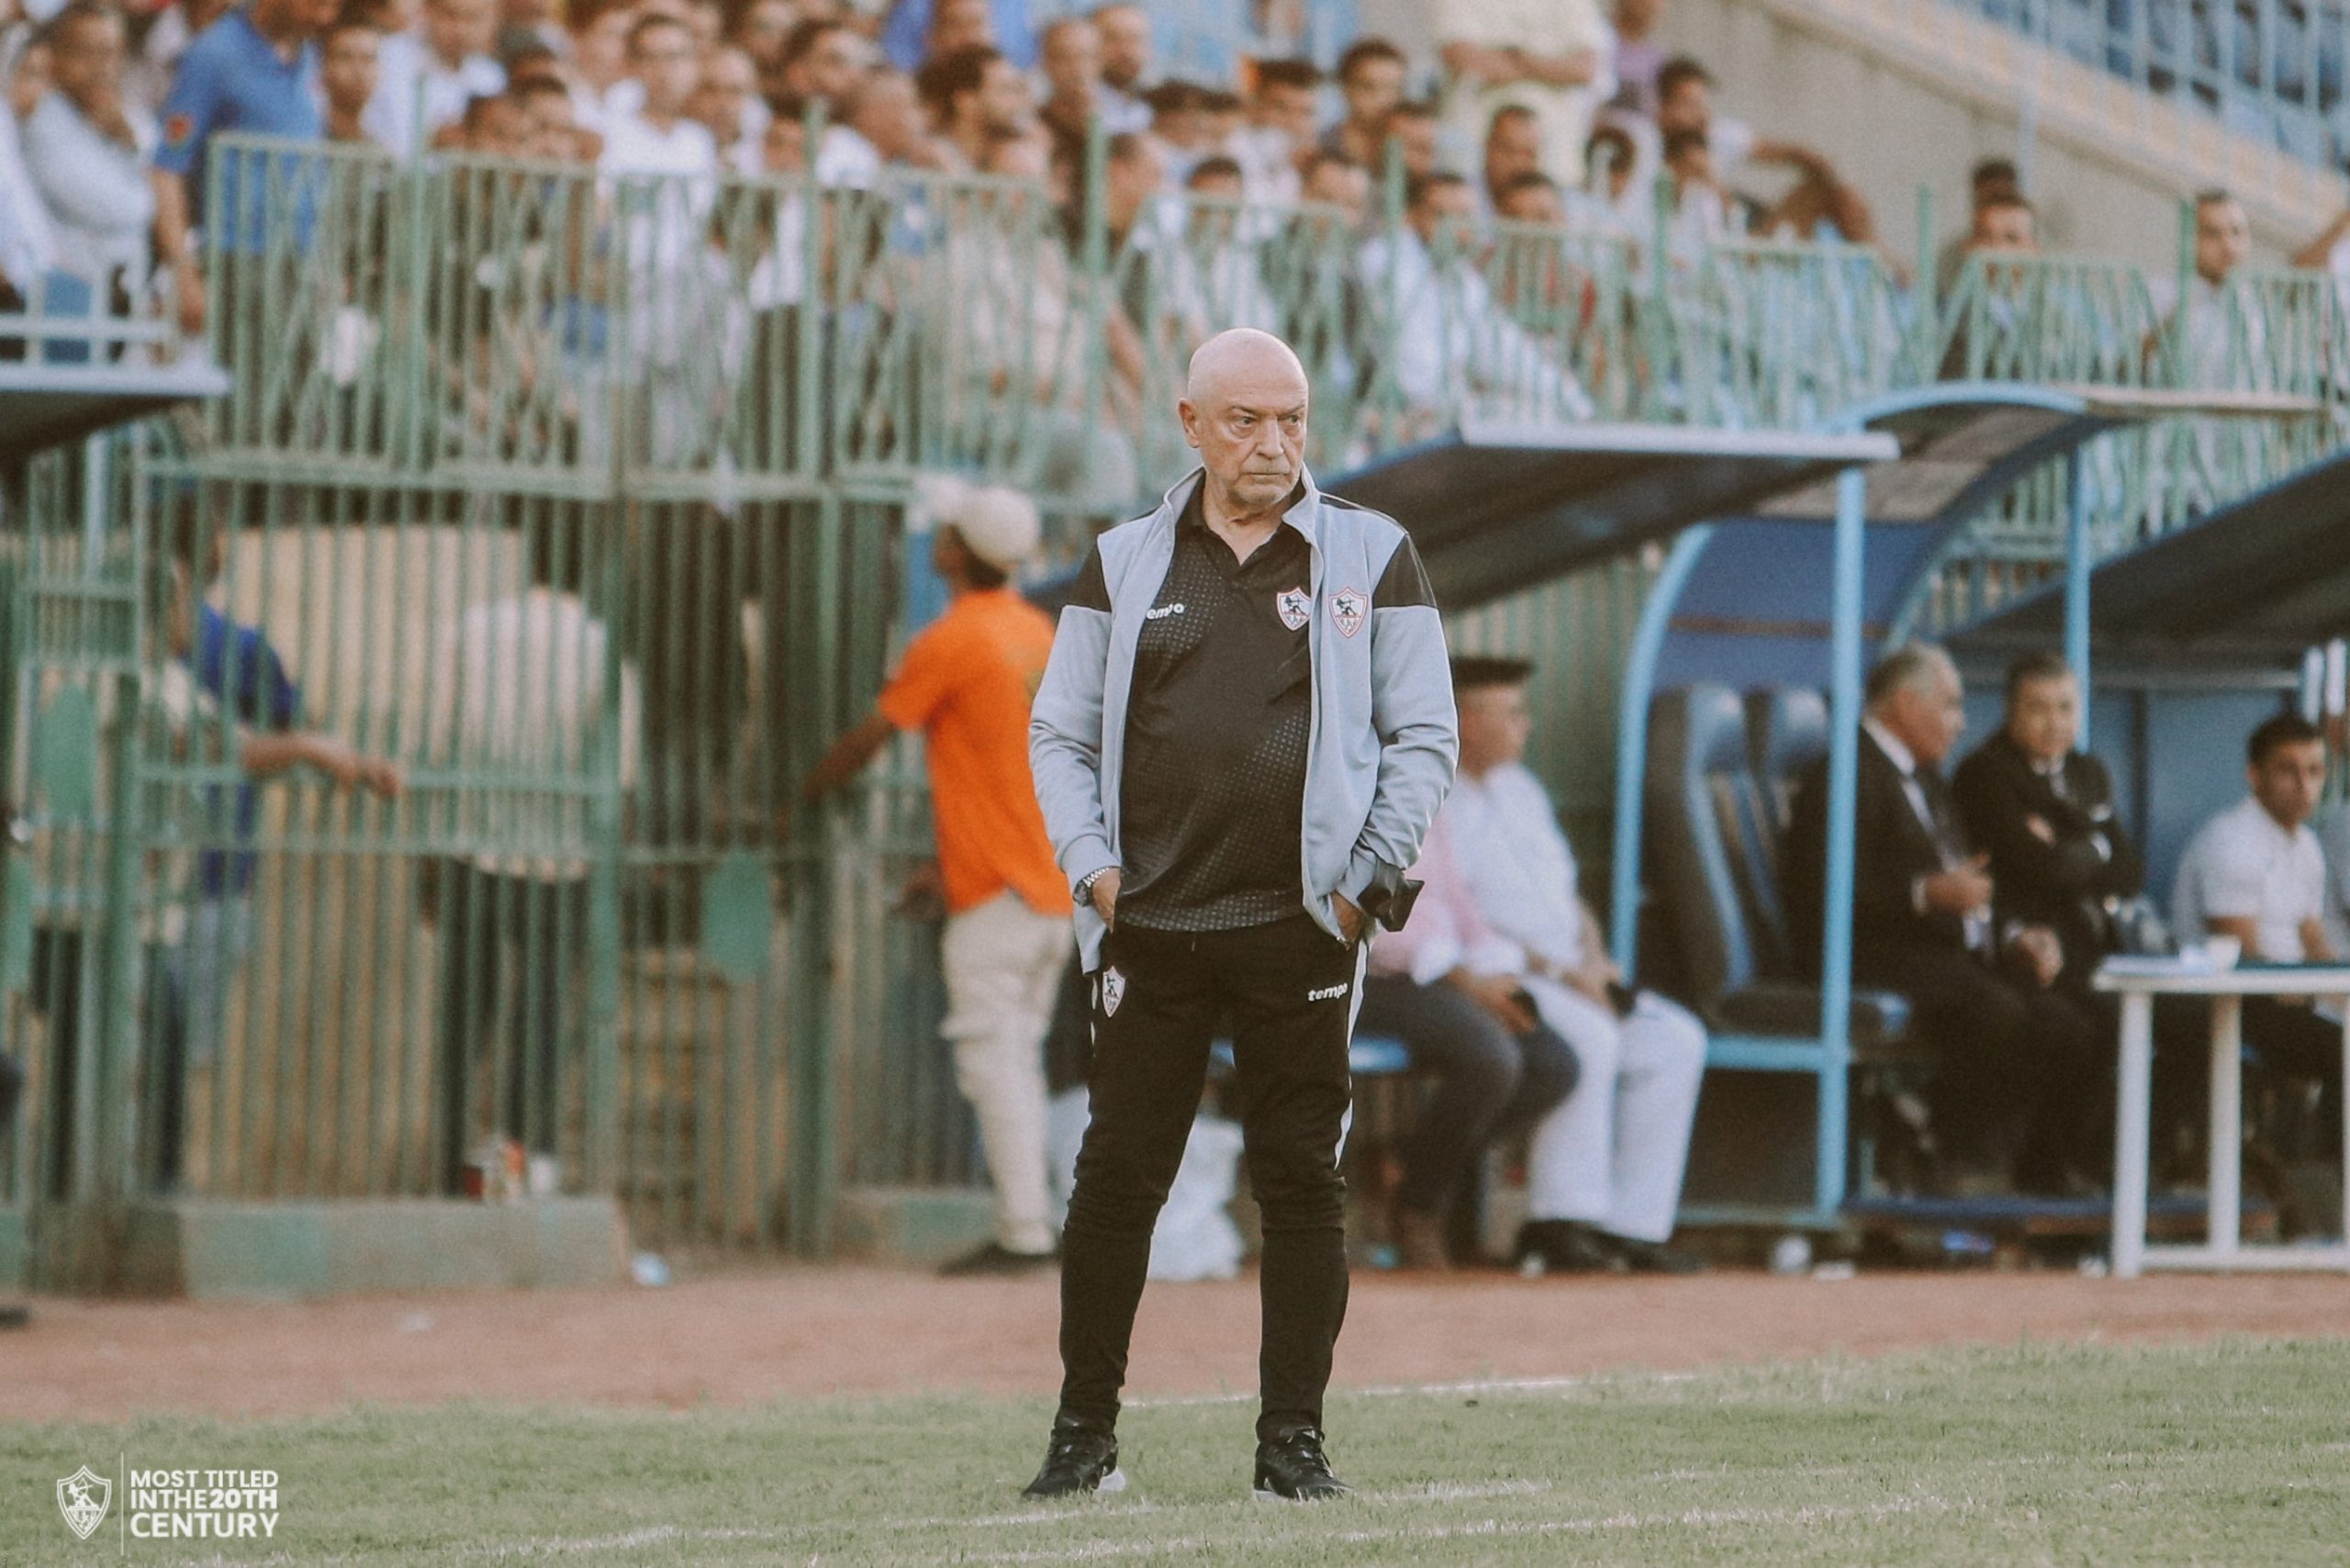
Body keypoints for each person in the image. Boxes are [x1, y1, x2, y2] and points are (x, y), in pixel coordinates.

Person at [1024, 328, 1456, 1502]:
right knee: (1117, 1180)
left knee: (1301, 1183)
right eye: (1246, 420)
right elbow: (1058, 730)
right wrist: (1093, 870)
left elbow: (1424, 734)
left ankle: (1290, 1446)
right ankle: (1082, 1438)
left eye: (1292, 420)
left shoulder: (1373, 552)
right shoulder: (1122, 559)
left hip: (1300, 928)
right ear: (1190, 424)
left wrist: (1363, 883)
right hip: (1151, 925)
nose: (1274, 444)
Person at [804, 485, 1070, 1275]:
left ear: (956, 551)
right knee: (1017, 1059)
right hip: (1049, 885)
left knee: (995, 1063)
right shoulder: (1038, 634)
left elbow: (872, 737)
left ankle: (1025, 1232)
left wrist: (804, 794)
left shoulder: (953, 638)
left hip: (999, 894)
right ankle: (1034, 1221)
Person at [1785, 643, 2104, 1193]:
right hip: (1870, 952)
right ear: (1907, 705)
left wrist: (2014, 935)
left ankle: (2042, 1171)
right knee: (1998, 1012)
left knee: (2074, 1022)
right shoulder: (1846, 774)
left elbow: (1969, 882)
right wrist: (1925, 893)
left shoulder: (1927, 777)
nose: (1961, 722)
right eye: (1951, 705)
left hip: (1939, 952)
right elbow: (1824, 888)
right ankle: (1949, 1156)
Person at [1438, 657, 1707, 1272]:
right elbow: (1471, 921)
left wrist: (1597, 960)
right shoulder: (1437, 799)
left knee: (1675, 1040)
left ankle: (1634, 1227)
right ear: (1467, 721)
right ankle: (1560, 1221)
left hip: (1573, 970)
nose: (1526, 725)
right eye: (1512, 713)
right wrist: (1565, 975)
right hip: (1505, 974)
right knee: (1591, 1037)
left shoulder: (1522, 790)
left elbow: (1570, 897)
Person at [425, 514, 639, 1195]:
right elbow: (619, 777)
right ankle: (518, 1179)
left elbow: (437, 746)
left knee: (465, 1026)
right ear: (589, 570)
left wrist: (430, 860)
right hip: (561, 863)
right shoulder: (603, 651)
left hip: (473, 851)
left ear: (532, 559)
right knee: (538, 1031)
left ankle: (449, 1173)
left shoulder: (470, 631)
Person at [1357, 659, 1582, 1271]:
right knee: (1491, 1056)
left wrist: (1494, 970)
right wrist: (1468, 982)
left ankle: (1406, 1161)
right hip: (1364, 977)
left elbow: (1456, 903)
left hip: (1439, 975)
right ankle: (1419, 1210)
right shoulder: (1359, 785)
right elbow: (1379, 923)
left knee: (1554, 1063)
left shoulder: (1425, 792)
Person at [2171, 712, 2344, 1179]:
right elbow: (2243, 954)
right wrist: (2312, 993)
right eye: (2288, 770)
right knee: (2340, 1050)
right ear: (2255, 775)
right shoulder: (2231, 839)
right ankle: (2329, 1177)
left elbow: (2312, 939)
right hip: (2230, 1004)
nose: (2304, 785)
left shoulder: (2307, 845)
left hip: (2290, 1000)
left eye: (2315, 771)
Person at [1953, 653, 2143, 997]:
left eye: (2065, 708)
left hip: (2100, 945)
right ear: (2011, 711)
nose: (2055, 723)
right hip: (2028, 950)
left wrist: (2070, 846)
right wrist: (2097, 845)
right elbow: (2043, 869)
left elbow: (2129, 874)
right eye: (2039, 709)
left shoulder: (2089, 771)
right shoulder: (1984, 772)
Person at [151, 0, 338, 339]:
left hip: (299, 260)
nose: (325, 16)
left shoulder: (309, 55)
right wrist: (183, 274)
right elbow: (167, 168)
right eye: (316, 3)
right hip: (235, 261)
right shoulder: (213, 54)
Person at [19, 3, 159, 308]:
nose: (101, 67)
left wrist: (124, 141)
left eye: (110, 52)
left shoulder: (129, 119)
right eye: (87, 51)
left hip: (118, 305)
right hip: (62, 305)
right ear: (56, 56)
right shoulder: (42, 118)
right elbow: (128, 207)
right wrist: (135, 163)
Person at [1434, 0, 1612, 186]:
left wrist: (1517, 57)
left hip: (1556, 166)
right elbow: (1461, 58)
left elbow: (1585, 69)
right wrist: (1551, 69)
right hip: (1472, 162)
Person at [364, 0, 504, 156]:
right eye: (450, 15)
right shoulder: (385, 57)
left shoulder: (492, 78)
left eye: (473, 18)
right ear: (427, 11)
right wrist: (430, 142)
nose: (460, 29)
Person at [1319, 37, 1403, 172]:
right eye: (1368, 87)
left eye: (1393, 88)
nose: (1382, 99)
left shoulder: (1414, 150)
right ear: (1345, 88)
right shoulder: (1321, 147)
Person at [319, 14, 386, 147]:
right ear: (324, 67)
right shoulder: (307, 137)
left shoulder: (378, 152)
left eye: (368, 58)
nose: (358, 71)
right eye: (346, 57)